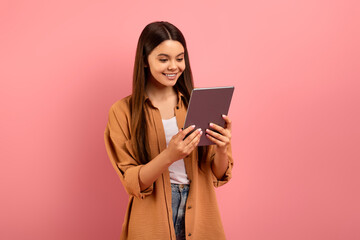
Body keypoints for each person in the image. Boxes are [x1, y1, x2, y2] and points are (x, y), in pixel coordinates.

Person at [104, 21, 233, 240]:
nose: (174, 66)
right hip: (151, 219)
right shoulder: (122, 111)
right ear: (145, 60)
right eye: (163, 59)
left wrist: (222, 148)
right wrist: (169, 155)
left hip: (201, 213)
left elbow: (219, 175)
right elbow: (132, 182)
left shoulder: (199, 103)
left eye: (180, 58)